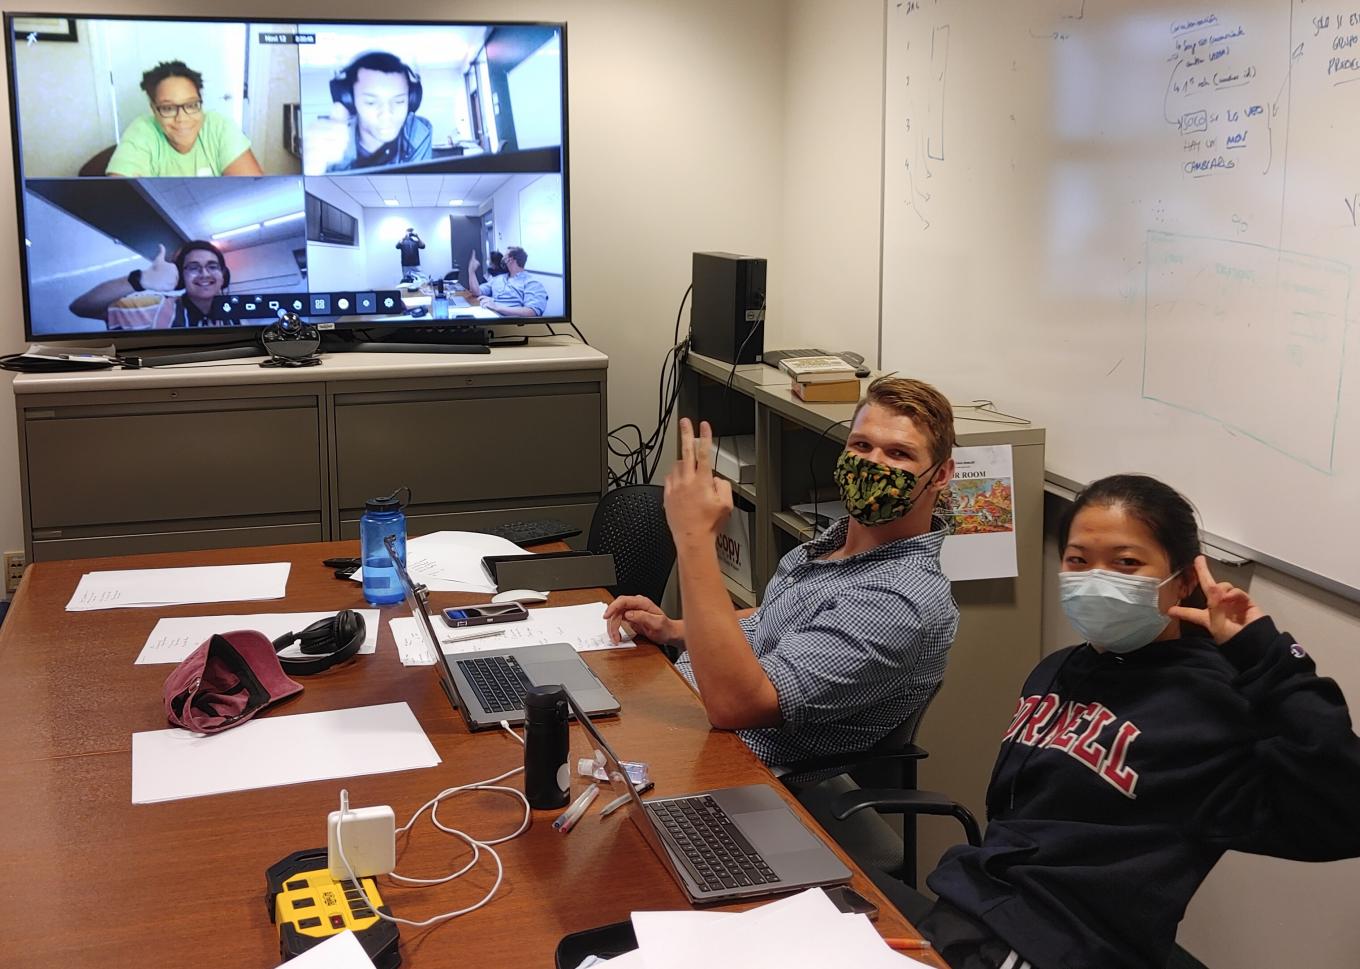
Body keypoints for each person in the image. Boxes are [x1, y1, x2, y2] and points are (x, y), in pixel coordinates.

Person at [916, 473, 1360, 969]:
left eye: (1126, 563)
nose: (1096, 578)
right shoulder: (1056, 668)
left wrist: (1268, 657)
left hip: (1063, 945)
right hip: (972, 908)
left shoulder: (1213, 700)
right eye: (1078, 561)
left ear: (1186, 578)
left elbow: (1345, 813)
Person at [604, 377, 960, 766]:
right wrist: (675, 629)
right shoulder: (832, 545)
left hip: (735, 767)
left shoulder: (896, 602)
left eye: (898, 454)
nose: (872, 463)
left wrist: (694, 539)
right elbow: (772, 622)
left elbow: (737, 707)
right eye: (861, 445)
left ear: (940, 475)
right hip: (689, 717)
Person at [105, 61, 263, 177]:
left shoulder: (219, 127)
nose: (182, 119)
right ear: (153, 109)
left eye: (191, 105)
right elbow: (121, 198)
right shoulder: (142, 130)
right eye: (168, 108)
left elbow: (252, 193)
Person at [307, 52, 433, 173]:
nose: (386, 114)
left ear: (411, 100)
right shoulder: (330, 141)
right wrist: (313, 168)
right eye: (371, 102)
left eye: (399, 101)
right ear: (350, 101)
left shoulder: (419, 132)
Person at [69, 241, 234, 328]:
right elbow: (81, 308)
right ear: (181, 277)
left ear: (223, 275)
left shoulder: (234, 313)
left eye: (212, 266)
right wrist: (138, 280)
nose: (204, 274)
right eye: (193, 268)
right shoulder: (156, 307)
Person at [467, 246, 549, 317]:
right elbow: (476, 292)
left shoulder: (532, 283)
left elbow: (532, 312)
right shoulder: (498, 278)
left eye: (505, 256)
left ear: (510, 259)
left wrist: (496, 306)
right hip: (488, 313)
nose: (502, 259)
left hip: (509, 324)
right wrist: (471, 271)